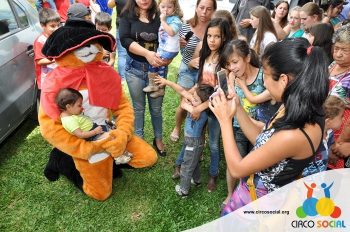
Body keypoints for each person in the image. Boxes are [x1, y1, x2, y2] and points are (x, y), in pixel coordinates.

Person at [209, 38, 329, 215]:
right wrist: (238, 107)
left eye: (265, 74)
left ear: (283, 80)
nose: (264, 82)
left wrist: (225, 121)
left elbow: (237, 168)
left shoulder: (295, 134)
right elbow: (263, 140)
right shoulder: (295, 107)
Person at [217, 39, 274, 206]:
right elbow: (231, 97)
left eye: (235, 62)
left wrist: (242, 85)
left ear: (247, 58)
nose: (232, 67)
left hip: (259, 128)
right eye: (228, 64)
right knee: (234, 161)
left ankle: (251, 195)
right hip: (237, 126)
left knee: (256, 165)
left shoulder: (264, 75)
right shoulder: (231, 76)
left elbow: (261, 99)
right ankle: (230, 195)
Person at [119, 0, 170, 156]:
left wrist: (170, 57)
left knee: (156, 109)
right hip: (134, 69)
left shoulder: (162, 15)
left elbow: (171, 38)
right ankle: (139, 141)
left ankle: (158, 139)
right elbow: (125, 39)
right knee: (138, 109)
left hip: (157, 71)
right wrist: (147, 53)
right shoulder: (127, 15)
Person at [153, 76, 214, 197]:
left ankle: (183, 190)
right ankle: (196, 181)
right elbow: (181, 90)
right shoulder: (197, 104)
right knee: (194, 162)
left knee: (186, 166)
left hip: (193, 143)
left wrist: (185, 101)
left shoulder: (198, 111)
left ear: (203, 103)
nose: (191, 99)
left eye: (195, 99)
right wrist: (167, 82)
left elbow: (183, 104)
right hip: (194, 142)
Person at [170, 0, 216, 143]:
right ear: (196, 8)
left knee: (202, 107)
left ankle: (198, 138)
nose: (204, 12)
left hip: (206, 71)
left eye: (209, 9)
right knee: (185, 102)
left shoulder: (214, 28)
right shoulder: (186, 26)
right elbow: (180, 50)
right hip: (187, 69)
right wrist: (179, 45)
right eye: (201, 8)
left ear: (214, 10)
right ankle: (177, 128)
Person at [55, 88, 132, 164]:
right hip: (91, 135)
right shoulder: (69, 121)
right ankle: (118, 156)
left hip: (95, 128)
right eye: (79, 105)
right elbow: (80, 134)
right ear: (68, 107)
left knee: (115, 131)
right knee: (111, 137)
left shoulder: (70, 113)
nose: (81, 107)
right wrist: (95, 132)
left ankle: (122, 151)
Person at [143, 0, 183, 98]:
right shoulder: (164, 18)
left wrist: (163, 21)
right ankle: (160, 89)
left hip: (170, 49)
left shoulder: (175, 20)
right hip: (163, 48)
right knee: (161, 67)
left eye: (169, 7)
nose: (166, 9)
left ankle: (153, 85)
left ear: (175, 7)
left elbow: (171, 32)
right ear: (159, 7)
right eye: (163, 7)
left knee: (154, 62)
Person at [302, 96, 345, 177]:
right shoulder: (312, 139)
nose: (343, 119)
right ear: (328, 121)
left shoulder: (330, 133)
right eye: (341, 116)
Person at [327, 24, 350, 169]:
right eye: (336, 49)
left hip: (341, 135)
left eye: (345, 50)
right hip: (326, 129)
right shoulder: (333, 65)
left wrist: (340, 144)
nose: (338, 54)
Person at [34, 8, 60, 94]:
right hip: (47, 79)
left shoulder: (56, 37)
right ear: (43, 25)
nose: (56, 28)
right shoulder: (40, 41)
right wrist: (56, 59)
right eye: (52, 26)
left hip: (57, 75)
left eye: (58, 25)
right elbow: (40, 61)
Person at [107, 0, 128, 80]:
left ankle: (122, 78)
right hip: (134, 24)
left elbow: (110, 5)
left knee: (122, 53)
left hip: (121, 25)